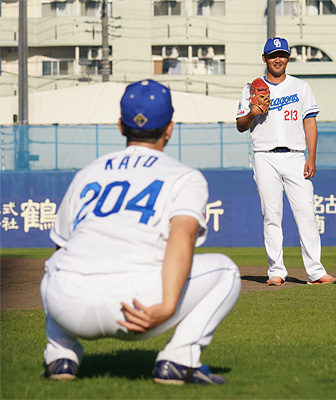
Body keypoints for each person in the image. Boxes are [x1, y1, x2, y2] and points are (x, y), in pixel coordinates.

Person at [40, 80, 241, 385]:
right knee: (227, 271)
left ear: (121, 125)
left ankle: (60, 356)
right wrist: (167, 306)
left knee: (56, 265)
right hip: (137, 308)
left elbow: (60, 248)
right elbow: (181, 237)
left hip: (67, 306)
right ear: (170, 128)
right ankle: (179, 360)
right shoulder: (184, 177)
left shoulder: (88, 173)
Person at [236, 37, 336, 286]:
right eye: (272, 55)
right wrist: (253, 112)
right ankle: (276, 271)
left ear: (288, 57)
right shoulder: (251, 88)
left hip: (295, 155)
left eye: (281, 54)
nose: (277, 59)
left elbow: (310, 121)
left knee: (306, 213)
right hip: (264, 156)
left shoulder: (300, 87)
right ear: (264, 59)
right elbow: (240, 125)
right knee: (271, 215)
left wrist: (311, 156)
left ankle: (315, 271)